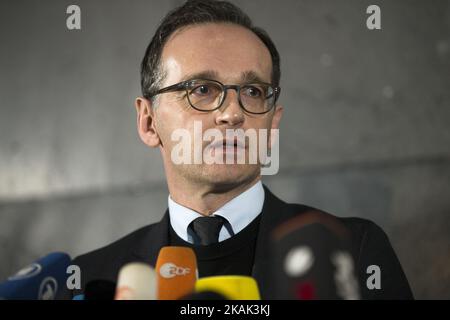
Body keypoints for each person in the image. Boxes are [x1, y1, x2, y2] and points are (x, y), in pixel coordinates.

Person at [60, 0, 413, 299]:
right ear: (149, 123)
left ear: (272, 123)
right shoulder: (91, 279)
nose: (232, 113)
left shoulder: (352, 252)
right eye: (201, 89)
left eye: (253, 91)